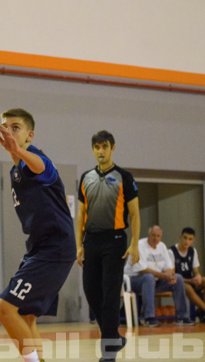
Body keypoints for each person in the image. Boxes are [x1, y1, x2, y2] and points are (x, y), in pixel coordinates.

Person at [0, 109, 76, 362]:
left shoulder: (38, 161)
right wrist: (16, 154)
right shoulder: (16, 169)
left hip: (55, 247)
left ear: (30, 135)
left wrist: (18, 152)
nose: (9, 132)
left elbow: (42, 167)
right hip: (38, 248)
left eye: (15, 127)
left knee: (4, 308)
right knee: (26, 315)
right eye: (5, 126)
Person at [76, 130, 140, 362]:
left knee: (110, 294)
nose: (100, 151)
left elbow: (134, 214)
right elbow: (80, 214)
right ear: (93, 150)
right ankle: (114, 336)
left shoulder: (124, 177)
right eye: (97, 147)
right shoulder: (86, 177)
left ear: (112, 148)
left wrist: (134, 244)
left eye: (104, 146)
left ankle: (109, 351)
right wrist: (79, 245)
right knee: (91, 292)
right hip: (91, 241)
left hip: (115, 242)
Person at [125, 226, 195, 326]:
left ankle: (182, 317)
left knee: (178, 278)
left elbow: (169, 267)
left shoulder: (162, 246)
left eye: (158, 236)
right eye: (153, 235)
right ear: (148, 235)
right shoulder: (139, 245)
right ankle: (149, 318)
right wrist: (164, 275)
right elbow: (142, 270)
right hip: (133, 281)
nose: (156, 238)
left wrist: (170, 276)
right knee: (149, 277)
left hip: (155, 281)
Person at [169, 227, 205, 319]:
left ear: (193, 240)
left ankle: (201, 311)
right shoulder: (172, 251)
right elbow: (172, 275)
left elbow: (195, 270)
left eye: (190, 239)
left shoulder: (193, 251)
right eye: (185, 238)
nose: (187, 241)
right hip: (177, 282)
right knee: (187, 287)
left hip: (191, 281)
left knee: (204, 280)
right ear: (180, 237)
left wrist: (198, 276)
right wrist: (190, 281)